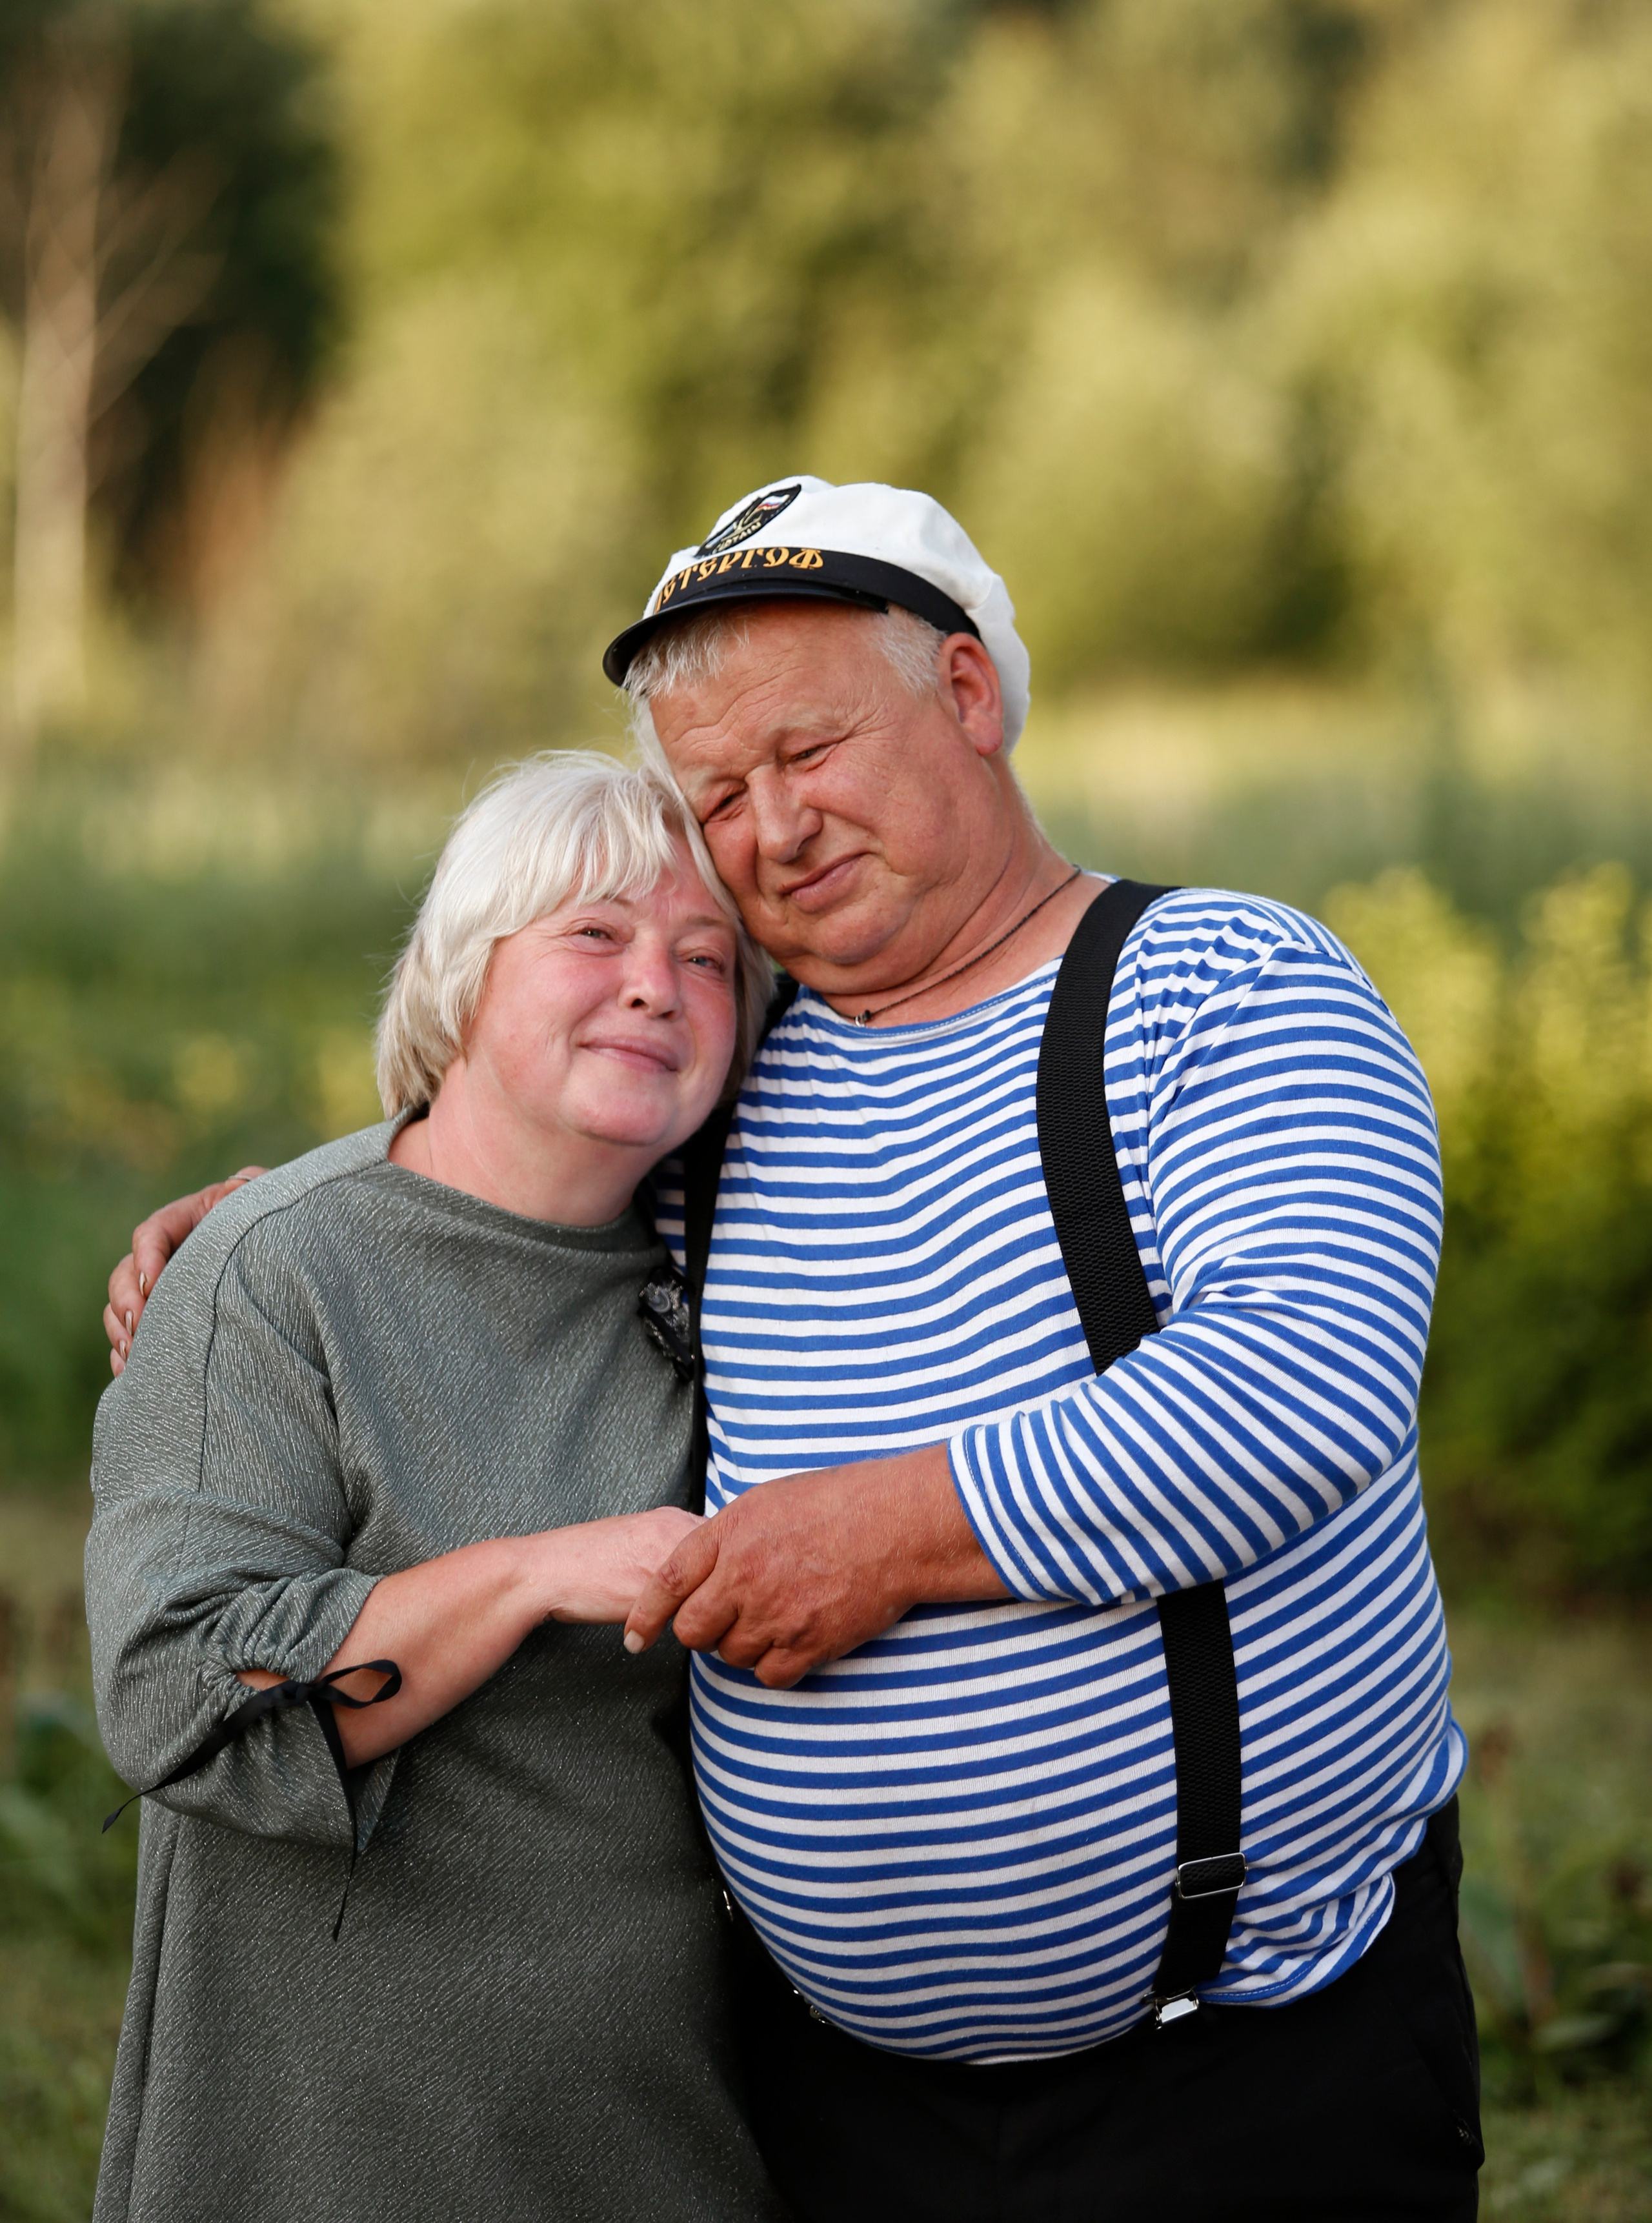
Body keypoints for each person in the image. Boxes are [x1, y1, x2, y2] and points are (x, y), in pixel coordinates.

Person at [110, 477, 1483, 2222]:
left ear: (968, 695)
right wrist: (273, 1220)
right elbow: (509, 1149)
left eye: (809, 751)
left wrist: (884, 1537)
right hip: (832, 2109)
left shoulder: (1225, 987)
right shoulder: (740, 1075)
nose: (771, 828)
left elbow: (1301, 1380)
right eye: (720, 794)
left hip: (1234, 2075)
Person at [86, 753, 783, 2223]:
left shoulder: (735, 1280)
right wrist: (533, 1572)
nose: (655, 984)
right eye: (593, 935)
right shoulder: (276, 1272)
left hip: (659, 2129)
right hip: (341, 2145)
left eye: (706, 960)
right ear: (465, 973)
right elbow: (178, 1695)